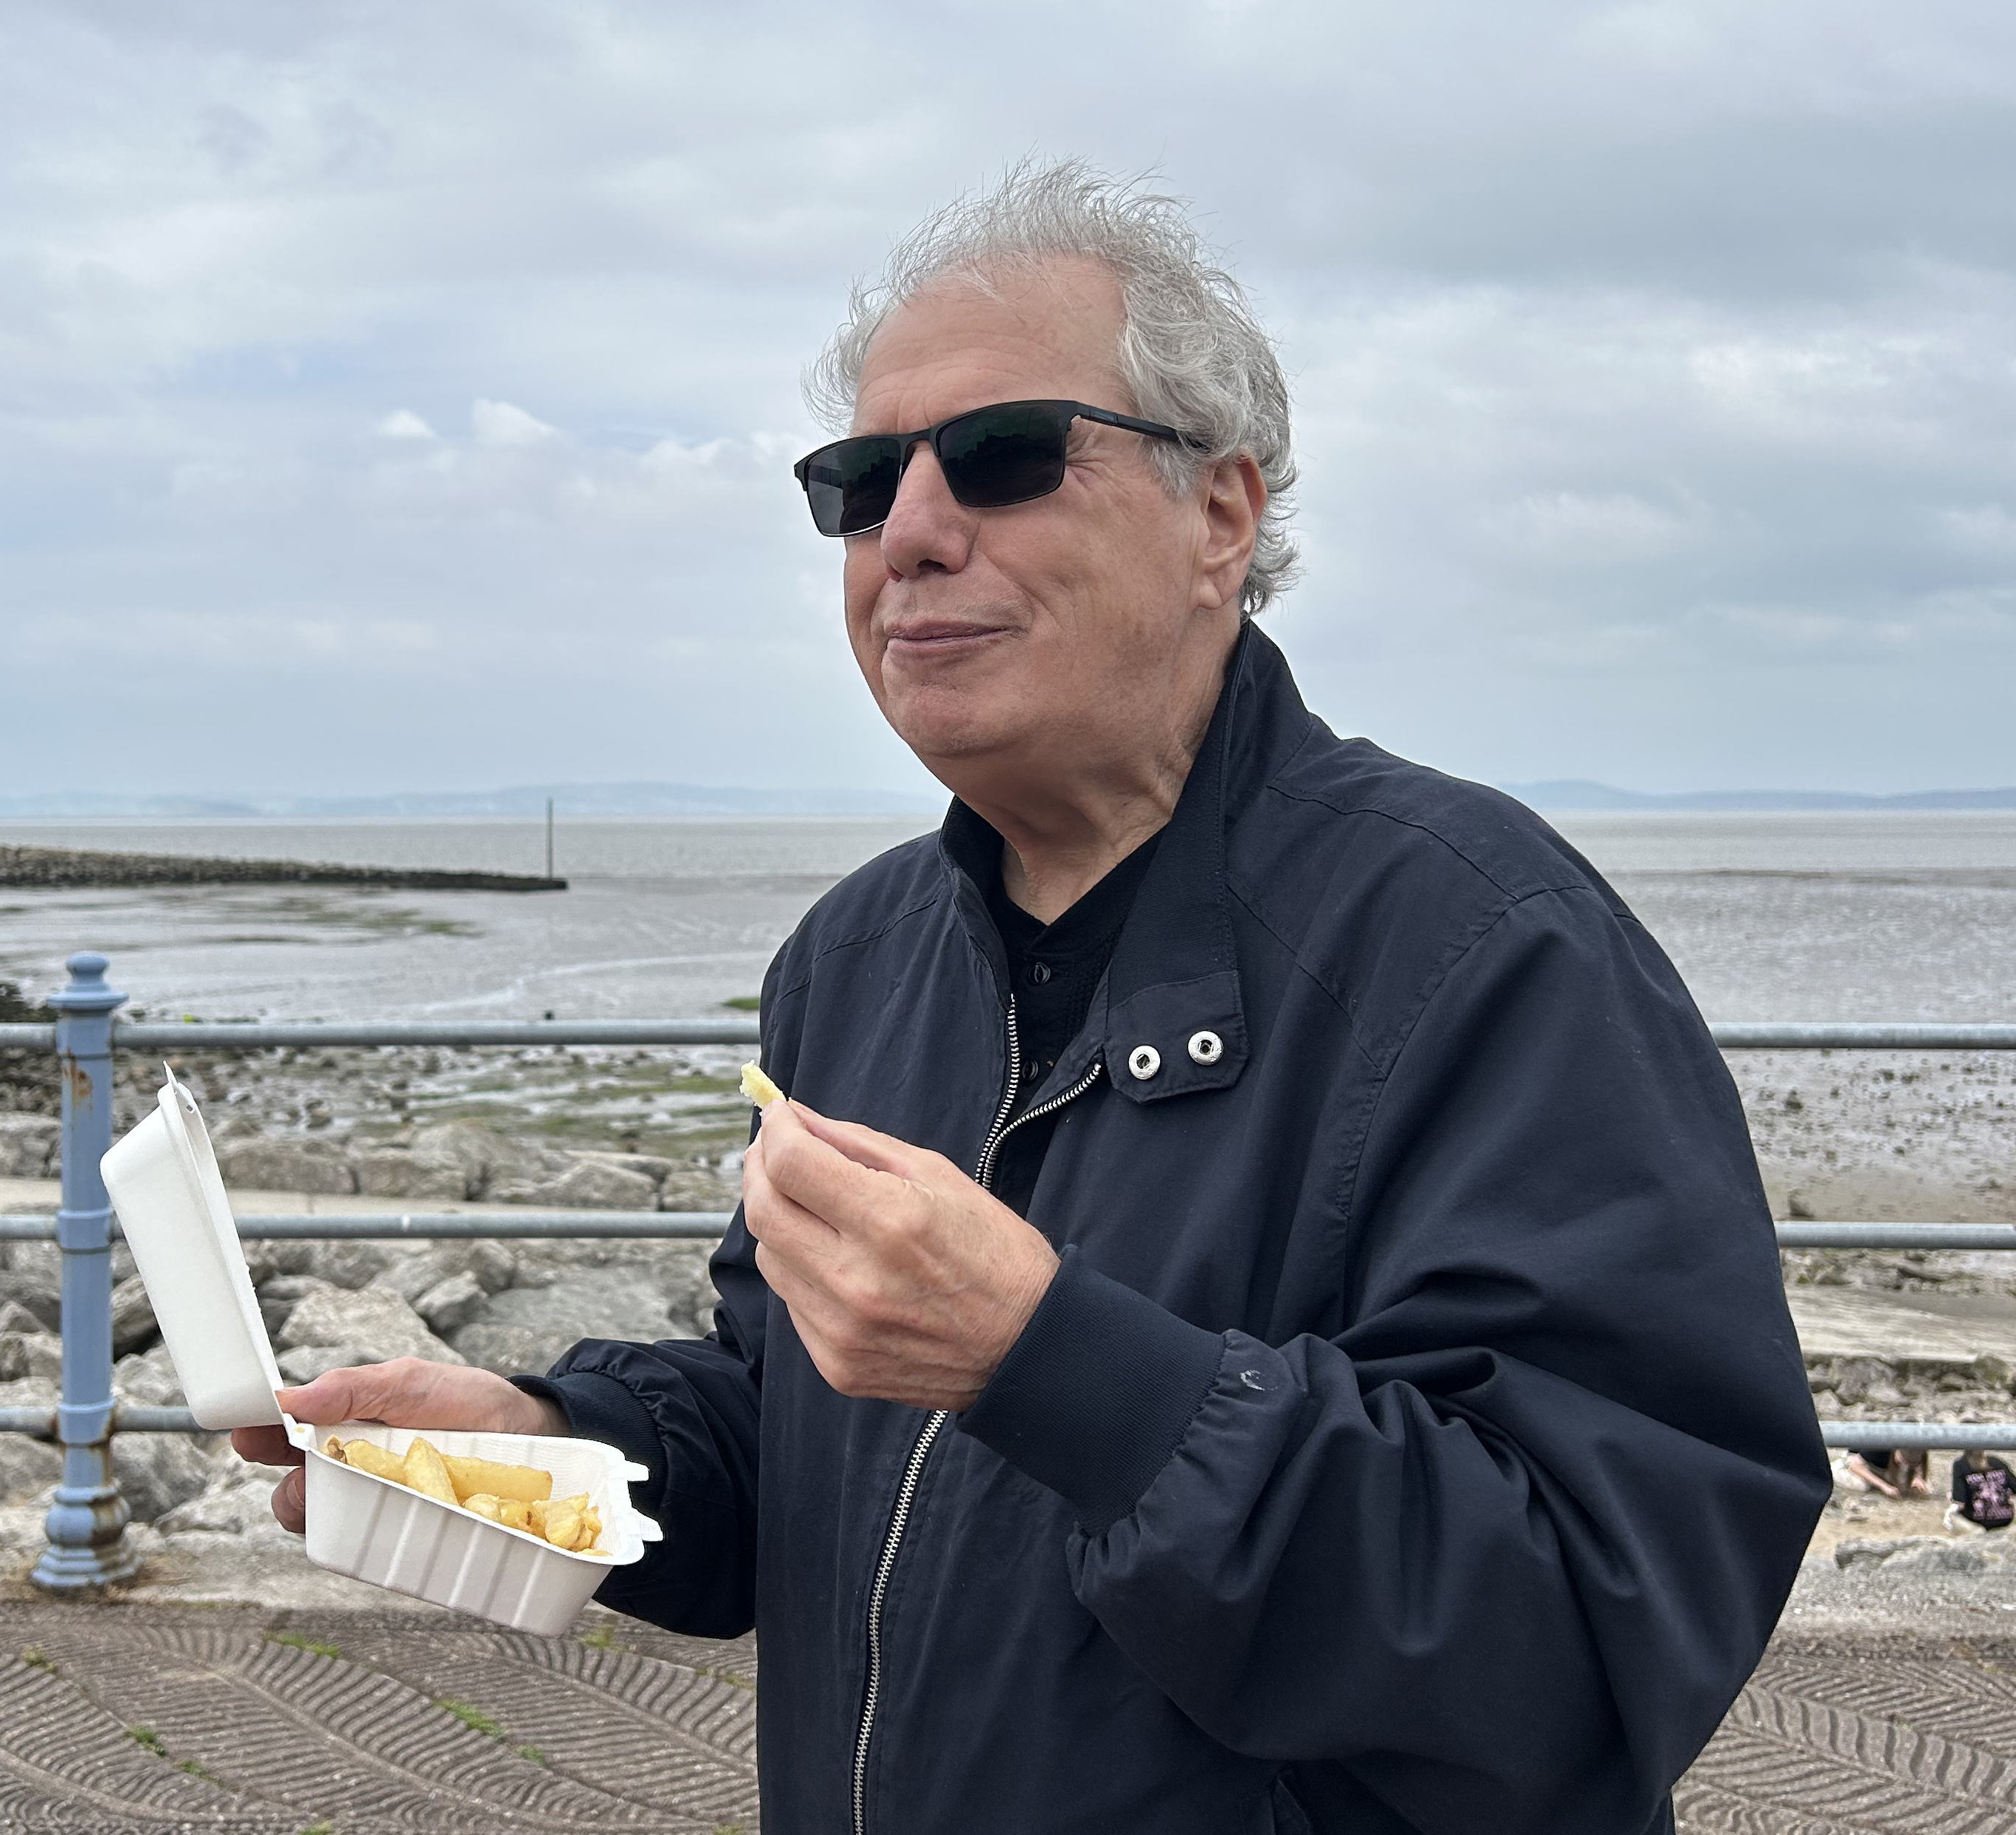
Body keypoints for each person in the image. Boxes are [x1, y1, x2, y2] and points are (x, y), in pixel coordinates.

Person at [236, 161, 1829, 1833]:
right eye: (861, 485)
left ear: (1221, 517)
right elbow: (795, 1429)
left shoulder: (1482, 944)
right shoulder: (853, 963)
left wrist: (1059, 1364)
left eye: (1003, 455)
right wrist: (553, 1446)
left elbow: (1590, 1634)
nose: (913, 531)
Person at [1949, 1447, 2013, 1530]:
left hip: (1978, 1521)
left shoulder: (1960, 1465)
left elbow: (1960, 1502)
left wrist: (1951, 1499)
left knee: (1951, 1513)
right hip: (2006, 1519)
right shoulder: (1997, 1462)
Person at [1845, 1445, 1929, 1500]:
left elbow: (1920, 1462)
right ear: (1898, 1454)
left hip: (1889, 1465)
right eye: (1906, 1463)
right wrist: (1884, 1487)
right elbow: (1854, 1466)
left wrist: (1918, 1478)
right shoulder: (1879, 1447)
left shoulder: (1918, 1445)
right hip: (1860, 1461)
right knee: (1863, 1487)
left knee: (1925, 1489)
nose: (1908, 1466)